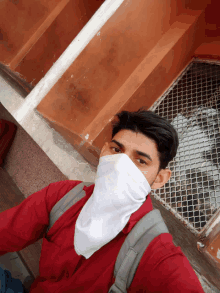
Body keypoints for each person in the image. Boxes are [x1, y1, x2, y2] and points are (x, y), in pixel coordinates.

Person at [0, 108, 205, 292]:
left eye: (141, 161)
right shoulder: (64, 197)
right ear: (104, 150)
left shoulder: (155, 255)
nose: (120, 165)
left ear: (159, 179)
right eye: (116, 150)